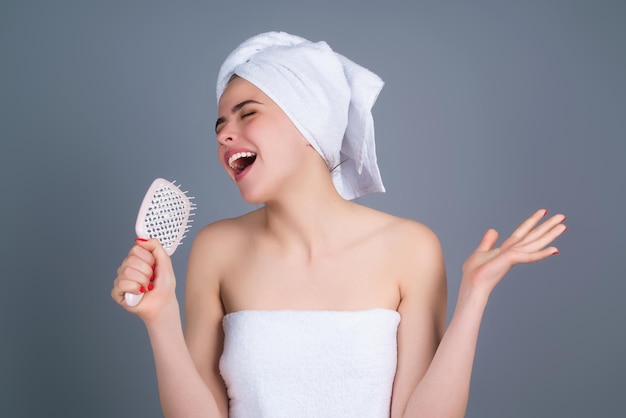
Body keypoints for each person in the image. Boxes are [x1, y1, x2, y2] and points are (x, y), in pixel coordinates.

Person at [112, 31, 566, 418]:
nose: (225, 134)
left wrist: (474, 296)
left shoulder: (410, 248)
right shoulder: (217, 248)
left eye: (248, 113)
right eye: (220, 126)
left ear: (310, 124)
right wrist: (160, 319)